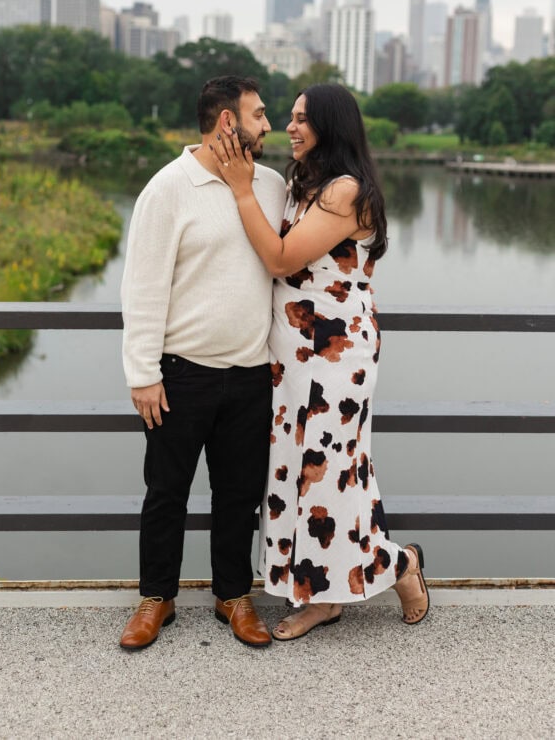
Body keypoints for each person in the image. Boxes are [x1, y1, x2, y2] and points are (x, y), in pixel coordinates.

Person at [211, 82, 430, 640]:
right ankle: (352, 578)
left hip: (335, 358)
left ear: (331, 126)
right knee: (290, 467)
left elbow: (283, 257)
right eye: (288, 116)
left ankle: (356, 581)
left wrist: (240, 192)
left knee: (328, 473)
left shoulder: (346, 191)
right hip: (291, 357)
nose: (290, 126)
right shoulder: (302, 185)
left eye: (302, 118)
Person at [119, 75, 286, 650]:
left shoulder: (271, 186)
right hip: (180, 374)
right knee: (166, 491)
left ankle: (233, 596)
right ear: (226, 122)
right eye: (259, 115)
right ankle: (156, 598)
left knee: (239, 495)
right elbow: (142, 286)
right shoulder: (168, 188)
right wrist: (142, 372)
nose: (269, 125)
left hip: (250, 374)